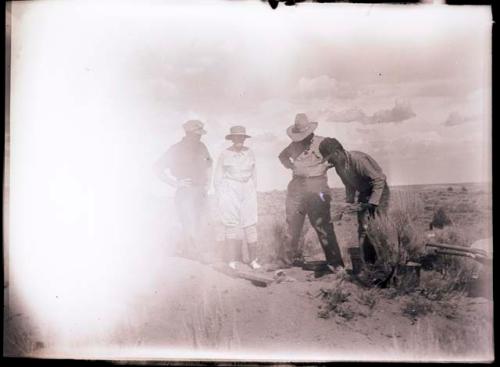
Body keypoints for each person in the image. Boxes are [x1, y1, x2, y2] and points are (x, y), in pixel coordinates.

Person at [278, 113, 345, 272]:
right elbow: (282, 157)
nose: (303, 138)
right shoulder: (293, 145)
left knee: (323, 226)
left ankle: (335, 264)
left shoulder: (323, 143)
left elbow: (339, 157)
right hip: (296, 187)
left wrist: (326, 166)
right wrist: (291, 166)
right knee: (292, 225)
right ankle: (286, 261)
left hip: (317, 186)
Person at [318, 137, 390, 267]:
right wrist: (349, 204)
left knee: (377, 227)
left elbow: (379, 180)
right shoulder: (339, 167)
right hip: (364, 193)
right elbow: (349, 185)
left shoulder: (359, 160)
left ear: (337, 153)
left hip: (379, 191)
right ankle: (368, 265)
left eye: (330, 158)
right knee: (363, 229)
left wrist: (372, 204)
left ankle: (385, 263)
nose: (329, 162)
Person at [154, 120, 213, 260]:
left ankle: (193, 251)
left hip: (201, 190)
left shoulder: (202, 147)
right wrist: (175, 183)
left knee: (200, 221)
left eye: (200, 134)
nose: (200, 137)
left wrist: (208, 184)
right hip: (186, 192)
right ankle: (193, 253)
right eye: (197, 134)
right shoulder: (176, 149)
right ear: (189, 133)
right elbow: (157, 168)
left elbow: (209, 164)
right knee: (189, 221)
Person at [214, 126, 261, 270]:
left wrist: (253, 189)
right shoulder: (225, 154)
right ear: (232, 139)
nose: (239, 140)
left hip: (247, 188)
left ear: (244, 138)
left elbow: (254, 173)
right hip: (230, 188)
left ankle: (253, 260)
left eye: (241, 137)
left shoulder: (250, 153)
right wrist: (221, 195)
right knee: (231, 223)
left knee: (250, 223)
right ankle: (231, 260)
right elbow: (218, 177)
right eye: (236, 137)